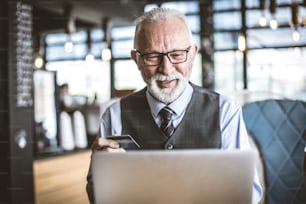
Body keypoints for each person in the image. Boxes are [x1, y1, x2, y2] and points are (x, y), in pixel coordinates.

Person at [86, 7, 263, 203]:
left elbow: (249, 193)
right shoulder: (114, 115)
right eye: (153, 56)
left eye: (177, 54)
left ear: (193, 53)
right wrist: (101, 170)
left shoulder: (225, 111)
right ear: (137, 59)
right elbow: (98, 197)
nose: (166, 68)